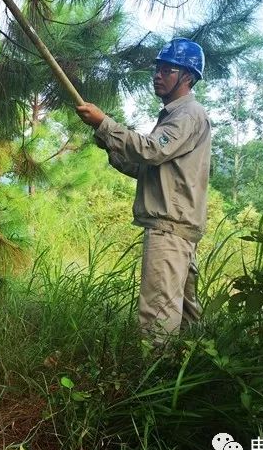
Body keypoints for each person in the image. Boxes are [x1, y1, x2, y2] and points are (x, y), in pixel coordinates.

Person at [76, 38, 211, 342]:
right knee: (187, 320)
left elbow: (151, 151)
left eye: (168, 70)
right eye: (157, 70)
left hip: (170, 230)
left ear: (187, 77)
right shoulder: (175, 116)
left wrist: (106, 124)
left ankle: (156, 383)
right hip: (179, 229)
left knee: (157, 321)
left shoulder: (187, 114)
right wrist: (105, 139)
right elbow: (144, 167)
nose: (158, 75)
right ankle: (188, 379)